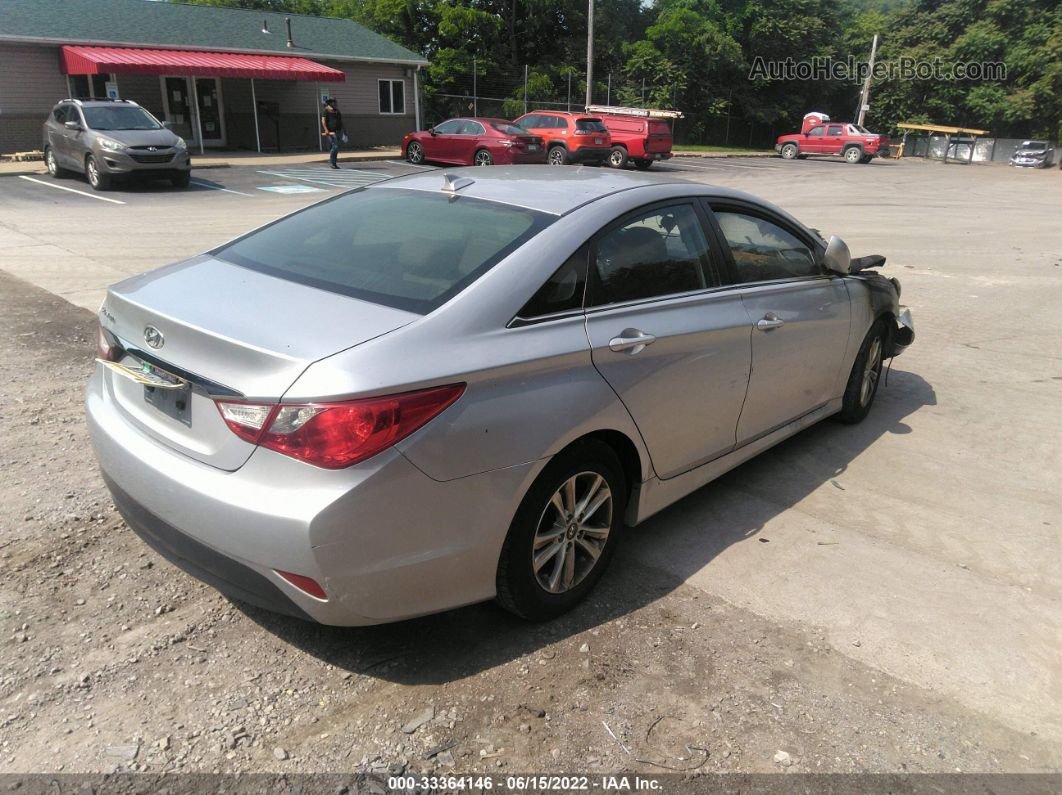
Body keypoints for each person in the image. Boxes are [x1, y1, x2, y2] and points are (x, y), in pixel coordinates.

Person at [321, 97, 344, 169]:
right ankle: (332, 161)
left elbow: (341, 121)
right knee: (335, 146)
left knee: (335, 147)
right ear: (330, 103)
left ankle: (334, 163)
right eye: (334, 102)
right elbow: (323, 121)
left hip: (338, 131)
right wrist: (326, 129)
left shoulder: (337, 111)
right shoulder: (326, 111)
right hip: (331, 132)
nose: (335, 103)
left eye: (335, 102)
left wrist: (344, 131)